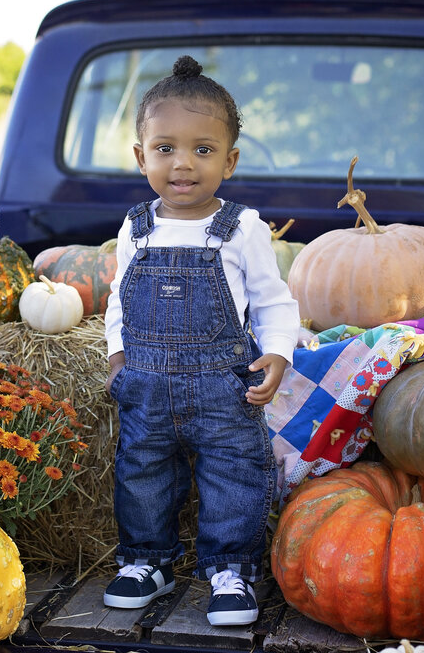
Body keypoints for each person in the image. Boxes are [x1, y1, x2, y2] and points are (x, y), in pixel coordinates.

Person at [101, 55, 300, 626]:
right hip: (146, 383)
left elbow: (272, 300)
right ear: (142, 157)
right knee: (141, 472)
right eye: (165, 148)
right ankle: (148, 561)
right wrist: (117, 354)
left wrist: (278, 353)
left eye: (203, 150)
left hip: (222, 386)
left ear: (230, 160)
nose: (182, 163)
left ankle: (229, 570)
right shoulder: (135, 225)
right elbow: (119, 297)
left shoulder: (242, 226)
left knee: (233, 473)